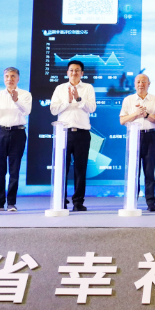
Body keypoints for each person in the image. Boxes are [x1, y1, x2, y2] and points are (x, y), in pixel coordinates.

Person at [51, 61, 96, 212]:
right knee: (62, 169)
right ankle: (60, 200)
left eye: (77, 70)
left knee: (80, 169)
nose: (74, 73)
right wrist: (68, 101)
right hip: (64, 133)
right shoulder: (60, 88)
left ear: (82, 73)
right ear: (67, 73)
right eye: (71, 70)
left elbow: (92, 108)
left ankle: (78, 202)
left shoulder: (88, 88)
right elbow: (53, 109)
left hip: (82, 133)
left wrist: (79, 99)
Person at [0, 67, 33, 212]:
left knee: (14, 170)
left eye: (13, 76)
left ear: (18, 78)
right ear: (4, 78)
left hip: (17, 133)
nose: (9, 79)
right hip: (0, 132)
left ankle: (11, 203)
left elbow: (27, 111)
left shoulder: (25, 94)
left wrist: (16, 100)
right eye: (7, 76)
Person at [119, 73, 155, 211]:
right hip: (134, 137)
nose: (141, 84)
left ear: (149, 84)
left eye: (144, 82)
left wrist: (146, 115)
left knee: (149, 172)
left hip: (150, 136)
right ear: (135, 84)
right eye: (138, 82)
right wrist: (136, 114)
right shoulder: (128, 100)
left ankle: (151, 203)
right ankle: (132, 202)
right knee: (134, 172)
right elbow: (122, 120)